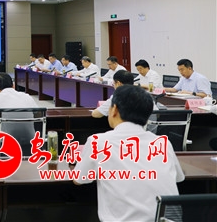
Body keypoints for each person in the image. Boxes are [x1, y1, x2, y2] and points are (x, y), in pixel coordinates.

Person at [73, 85, 184, 221]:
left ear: (114, 110)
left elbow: (79, 179)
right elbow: (178, 178)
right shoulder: (163, 143)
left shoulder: (98, 142)